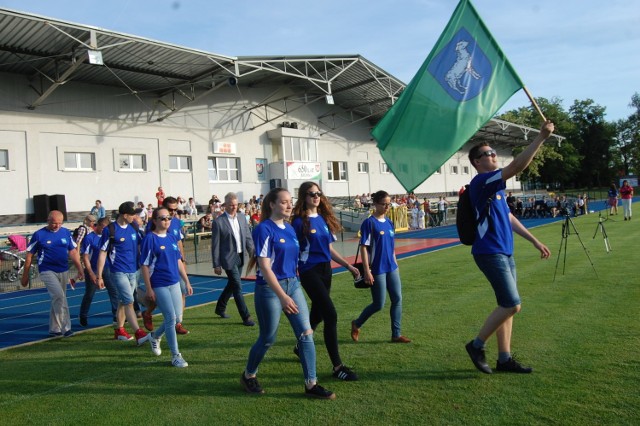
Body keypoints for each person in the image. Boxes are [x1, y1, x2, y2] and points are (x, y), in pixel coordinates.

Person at [464, 120, 554, 375]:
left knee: (508, 306)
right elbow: (515, 166)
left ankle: (504, 359)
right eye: (488, 154)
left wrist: (534, 240)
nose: (493, 155)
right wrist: (540, 138)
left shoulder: (496, 189)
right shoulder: (482, 182)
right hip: (489, 252)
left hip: (504, 251)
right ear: (477, 162)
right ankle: (476, 345)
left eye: (493, 152)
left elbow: (509, 218)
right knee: (512, 304)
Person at [241, 187, 335, 399]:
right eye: (283, 202)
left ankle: (311, 384)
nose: (289, 205)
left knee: (306, 333)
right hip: (269, 289)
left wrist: (293, 287)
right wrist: (283, 297)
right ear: (272, 204)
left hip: (292, 285)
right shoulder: (264, 229)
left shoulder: (291, 228)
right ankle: (249, 375)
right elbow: (264, 267)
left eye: (289, 201)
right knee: (268, 337)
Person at [291, 182, 360, 381]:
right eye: (311, 194)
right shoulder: (298, 222)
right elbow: (293, 250)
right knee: (331, 315)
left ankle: (300, 346)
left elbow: (328, 249)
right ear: (304, 197)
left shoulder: (322, 219)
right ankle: (337, 366)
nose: (316, 196)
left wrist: (348, 266)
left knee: (319, 313)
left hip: (325, 270)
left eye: (318, 193)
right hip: (308, 270)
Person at [351, 190, 411, 344]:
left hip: (391, 267)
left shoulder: (390, 222)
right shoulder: (369, 223)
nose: (386, 207)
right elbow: (364, 247)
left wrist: (395, 261)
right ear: (376, 204)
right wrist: (367, 271)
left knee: (397, 299)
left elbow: (391, 246)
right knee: (379, 304)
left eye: (388, 204)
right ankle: (357, 323)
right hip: (377, 269)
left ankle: (396, 334)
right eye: (383, 204)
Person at [141, 207, 194, 368]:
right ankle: (175, 355)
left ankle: (155, 336)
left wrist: (186, 281)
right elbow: (144, 265)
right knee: (170, 318)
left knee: (177, 318)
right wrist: (149, 288)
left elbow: (178, 261)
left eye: (168, 218)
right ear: (155, 221)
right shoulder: (150, 239)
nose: (166, 220)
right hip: (159, 283)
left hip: (174, 282)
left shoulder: (172, 237)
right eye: (162, 218)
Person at [21, 210, 84, 337]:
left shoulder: (65, 232)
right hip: (47, 270)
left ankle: (54, 328)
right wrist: (25, 275)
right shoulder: (39, 235)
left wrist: (80, 268)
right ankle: (66, 328)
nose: (57, 226)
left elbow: (73, 252)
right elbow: (29, 255)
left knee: (58, 299)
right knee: (59, 296)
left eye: (60, 223)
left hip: (63, 269)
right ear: (48, 221)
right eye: (55, 223)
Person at [96, 201, 149, 345]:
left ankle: (119, 330)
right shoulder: (110, 230)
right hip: (118, 271)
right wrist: (99, 275)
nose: (135, 216)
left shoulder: (134, 226)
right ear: (125, 215)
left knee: (123, 301)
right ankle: (139, 333)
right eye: (133, 214)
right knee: (129, 301)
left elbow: (141, 245)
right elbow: (102, 253)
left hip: (134, 270)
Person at [142, 197, 190, 335]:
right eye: (170, 210)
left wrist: (182, 259)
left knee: (182, 291)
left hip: (175, 264)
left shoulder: (175, 223)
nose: (173, 213)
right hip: (159, 269)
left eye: (175, 210)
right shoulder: (153, 229)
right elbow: (149, 247)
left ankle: (178, 323)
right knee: (159, 299)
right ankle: (149, 313)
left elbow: (178, 242)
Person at [211, 192, 255, 326]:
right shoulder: (219, 222)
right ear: (225, 205)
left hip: (241, 256)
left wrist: (253, 253)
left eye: (236, 205)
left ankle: (220, 308)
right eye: (231, 205)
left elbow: (247, 237)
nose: (234, 207)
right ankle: (246, 317)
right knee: (237, 286)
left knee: (232, 284)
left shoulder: (242, 218)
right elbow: (215, 244)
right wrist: (216, 264)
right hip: (228, 259)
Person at [79, 217, 117, 327]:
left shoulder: (109, 237)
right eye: (103, 227)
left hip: (107, 268)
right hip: (93, 269)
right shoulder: (89, 238)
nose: (105, 230)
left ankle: (116, 315)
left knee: (113, 291)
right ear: (98, 226)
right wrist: (90, 272)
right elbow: (85, 257)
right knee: (90, 294)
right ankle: (83, 315)